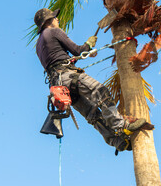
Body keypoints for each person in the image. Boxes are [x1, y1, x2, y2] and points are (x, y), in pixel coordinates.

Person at [35, 8, 154, 153]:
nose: (57, 19)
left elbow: (59, 60)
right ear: (49, 21)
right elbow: (78, 50)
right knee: (101, 92)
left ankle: (116, 140)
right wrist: (89, 44)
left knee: (92, 114)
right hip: (70, 76)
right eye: (55, 17)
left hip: (59, 85)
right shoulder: (53, 31)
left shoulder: (38, 45)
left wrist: (86, 52)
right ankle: (121, 125)